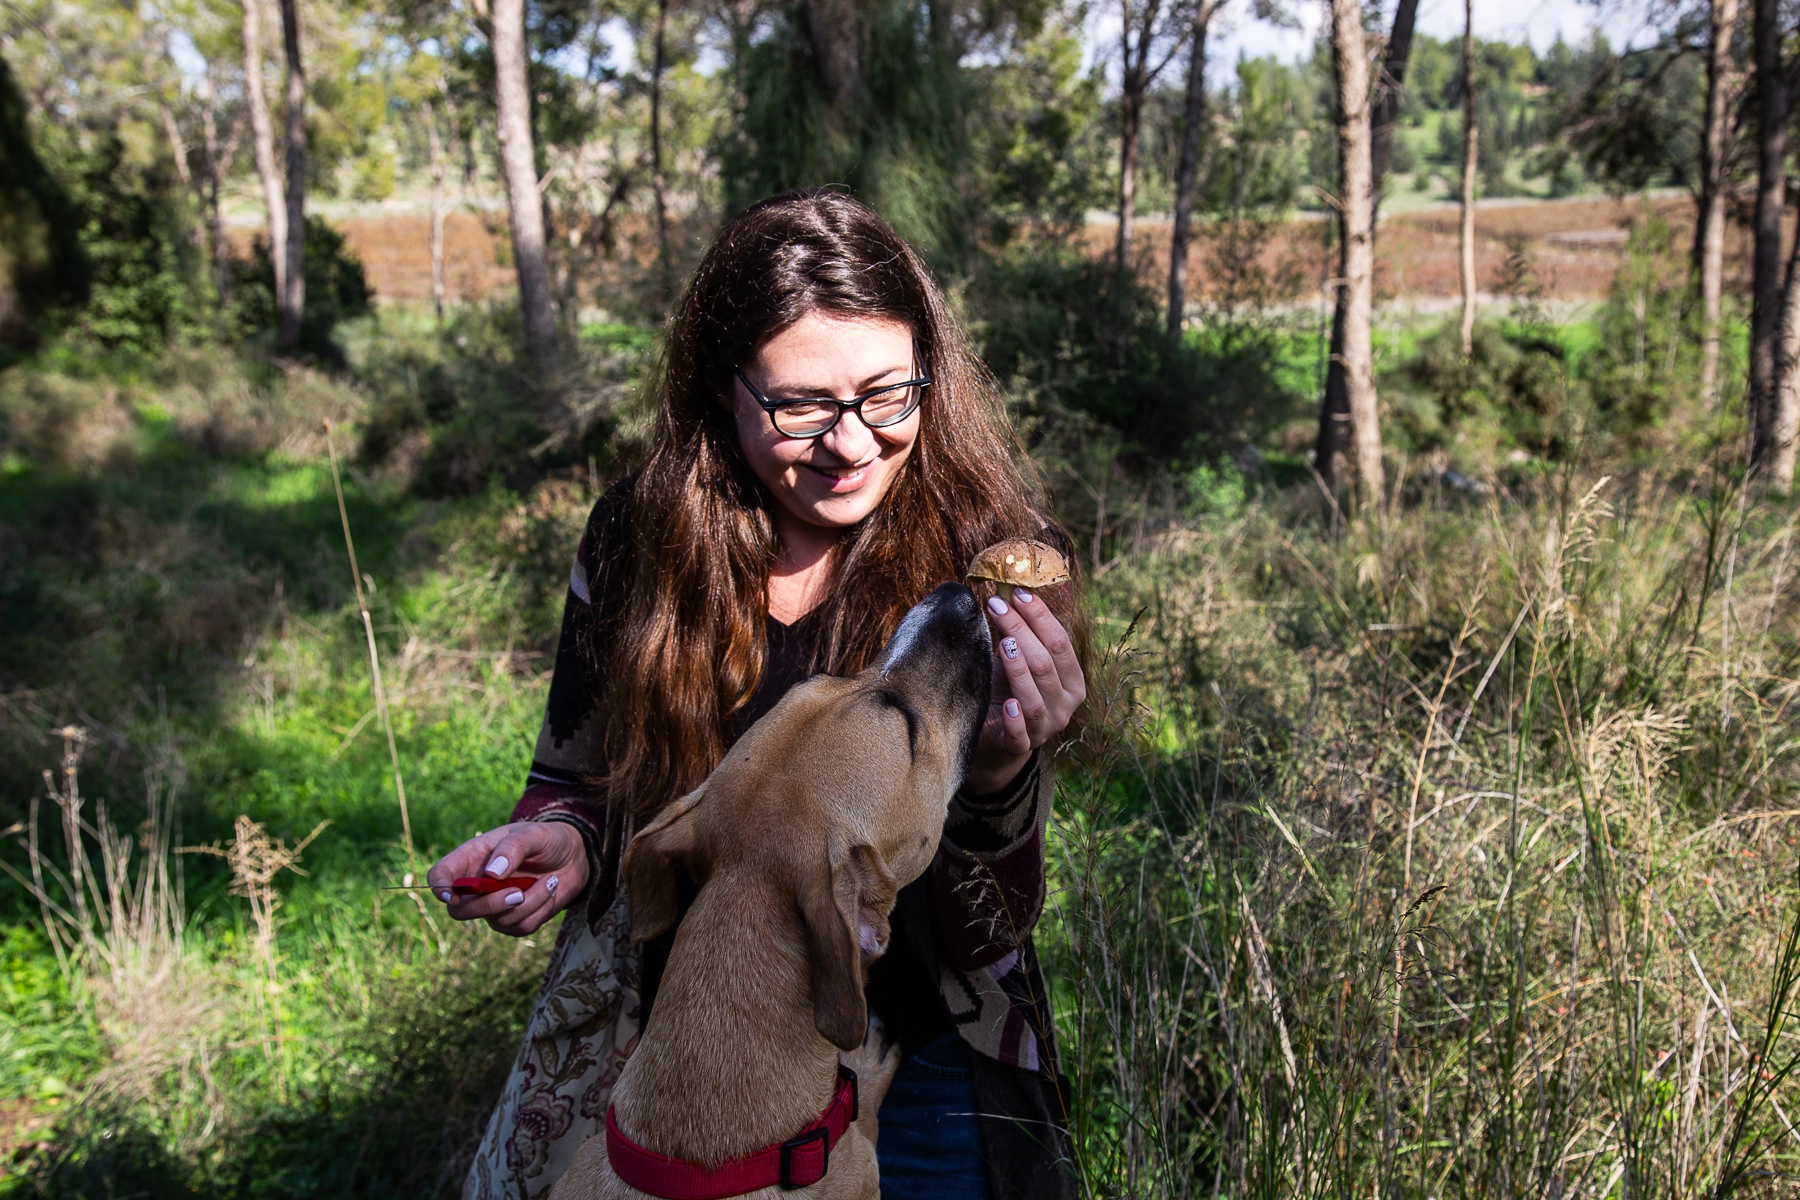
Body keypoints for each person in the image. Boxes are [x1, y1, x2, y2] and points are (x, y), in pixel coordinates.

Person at [429, 190, 1088, 1200]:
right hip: (694, 1051)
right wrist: (562, 841)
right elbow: (573, 780)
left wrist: (999, 779)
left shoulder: (990, 561)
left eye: (888, 394)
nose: (854, 443)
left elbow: (987, 938)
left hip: (930, 1050)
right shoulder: (640, 540)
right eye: (802, 407)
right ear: (717, 388)